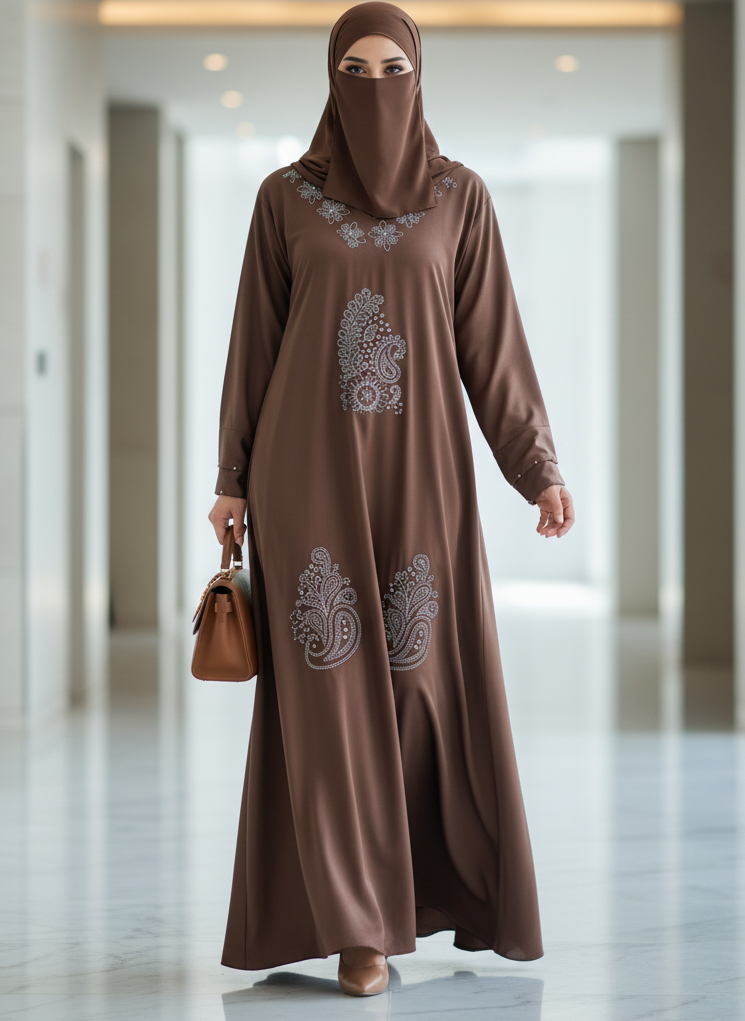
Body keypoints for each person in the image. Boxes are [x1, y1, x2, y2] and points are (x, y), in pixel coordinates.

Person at [208, 1, 575, 998]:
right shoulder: (286, 198)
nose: (375, 86)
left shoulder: (459, 197)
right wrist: (230, 477)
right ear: (330, 78)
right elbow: (255, 341)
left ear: (420, 74)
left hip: (423, 475)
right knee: (329, 697)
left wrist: (535, 465)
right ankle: (358, 933)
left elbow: (490, 346)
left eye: (392, 67)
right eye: (355, 69)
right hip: (304, 474)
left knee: (418, 685)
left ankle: (426, 897)